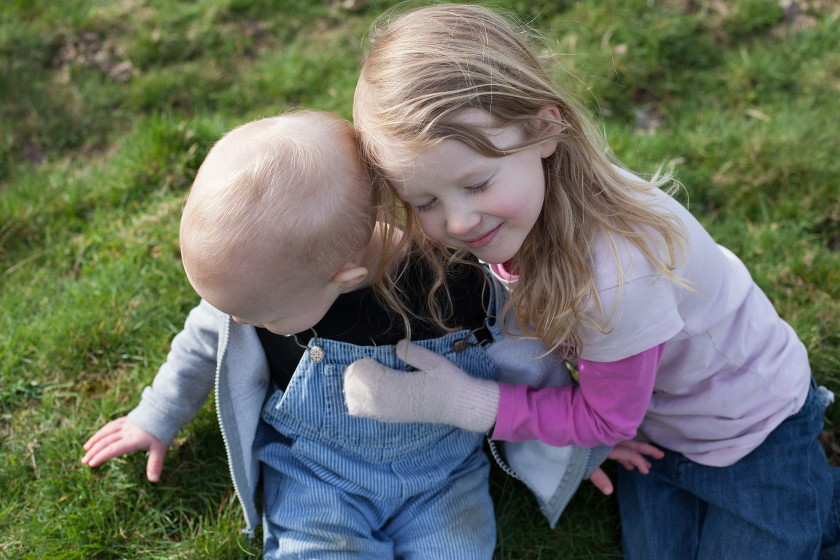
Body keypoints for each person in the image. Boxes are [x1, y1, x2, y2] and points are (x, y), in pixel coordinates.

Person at [345, 4, 840, 559]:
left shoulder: (614, 276)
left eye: (477, 183)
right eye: (425, 202)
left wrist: (460, 401)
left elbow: (604, 415)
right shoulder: (523, 208)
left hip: (751, 425)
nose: (457, 223)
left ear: (545, 128)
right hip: (654, 427)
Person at [82, 111, 504, 559]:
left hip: (442, 473)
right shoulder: (255, 289)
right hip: (318, 473)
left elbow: (531, 357)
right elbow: (201, 344)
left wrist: (574, 440)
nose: (239, 325)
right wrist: (156, 415)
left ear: (344, 278)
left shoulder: (460, 282)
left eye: (262, 316)